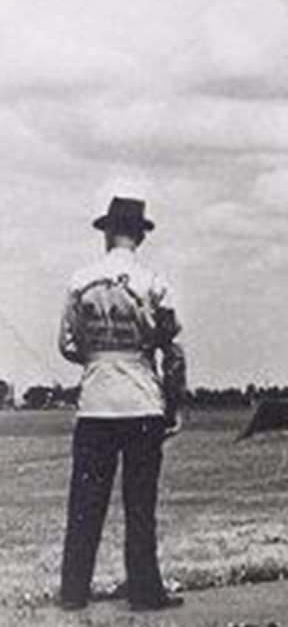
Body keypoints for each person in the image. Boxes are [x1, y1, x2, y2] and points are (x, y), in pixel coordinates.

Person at [56, 197, 187, 612]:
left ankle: (73, 592)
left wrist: (100, 357)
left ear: (107, 232)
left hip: (94, 402)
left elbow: (66, 344)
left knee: (84, 506)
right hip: (142, 402)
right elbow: (174, 351)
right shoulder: (153, 282)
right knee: (139, 505)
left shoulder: (80, 281)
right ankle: (146, 592)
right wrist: (173, 403)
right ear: (140, 235)